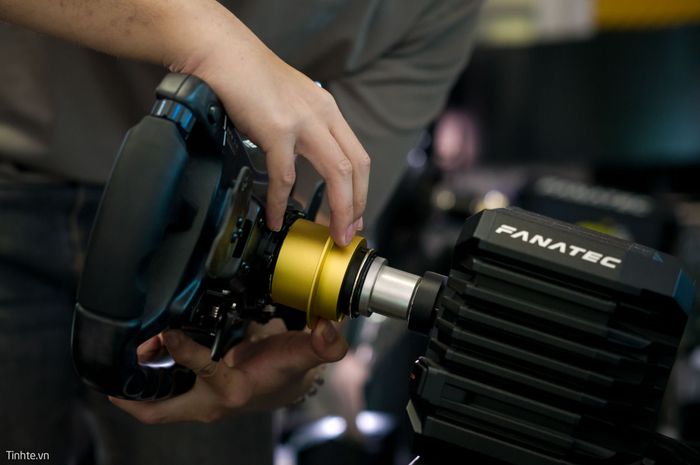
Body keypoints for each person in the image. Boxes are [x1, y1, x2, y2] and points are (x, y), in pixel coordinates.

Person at [0, 0, 482, 463]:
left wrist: (279, 347)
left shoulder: (435, 9)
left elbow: (318, 219)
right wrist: (206, 37)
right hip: (15, 178)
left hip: (202, 262)